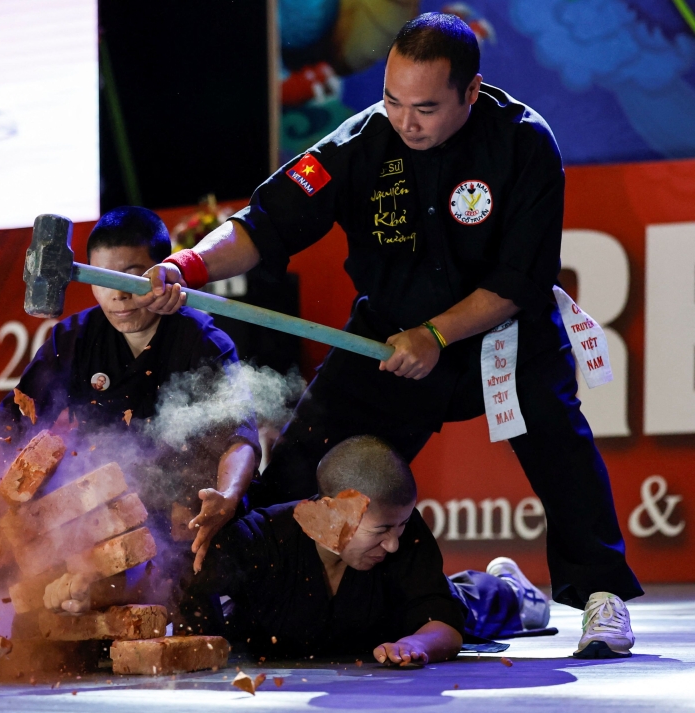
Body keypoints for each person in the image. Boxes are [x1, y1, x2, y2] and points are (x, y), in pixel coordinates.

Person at [136, 12, 641, 658]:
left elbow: (520, 280)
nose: (406, 121)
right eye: (393, 100)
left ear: (471, 91)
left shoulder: (524, 143)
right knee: (298, 463)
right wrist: (186, 264)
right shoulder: (358, 144)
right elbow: (262, 225)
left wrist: (435, 333)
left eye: (426, 107)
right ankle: (262, 599)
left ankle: (602, 595)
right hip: (389, 338)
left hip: (502, 331)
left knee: (555, 433)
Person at [0, 206, 261, 595]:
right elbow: (9, 420)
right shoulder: (74, 338)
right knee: (34, 601)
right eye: (102, 279)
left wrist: (228, 496)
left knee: (206, 596)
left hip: (187, 516)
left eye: (132, 278)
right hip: (99, 513)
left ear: (164, 272)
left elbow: (240, 436)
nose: (117, 294)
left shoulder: (204, 342)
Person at [47, 436, 551, 663]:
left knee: (475, 604)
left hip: (404, 623)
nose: (395, 543)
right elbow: (189, 605)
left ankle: (510, 586)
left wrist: (417, 646)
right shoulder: (257, 540)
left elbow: (442, 623)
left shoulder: (405, 534)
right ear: (332, 513)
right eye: (381, 532)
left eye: (400, 527)